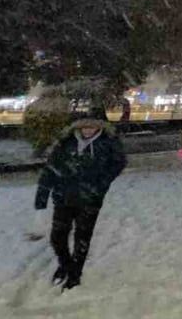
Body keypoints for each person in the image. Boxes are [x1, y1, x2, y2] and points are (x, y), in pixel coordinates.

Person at [34, 114, 127, 290]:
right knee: (58, 237)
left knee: (82, 238)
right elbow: (50, 170)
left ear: (99, 128)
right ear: (77, 128)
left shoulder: (107, 144)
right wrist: (41, 200)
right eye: (84, 127)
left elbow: (119, 163)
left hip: (90, 199)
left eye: (92, 127)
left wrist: (101, 183)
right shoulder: (65, 143)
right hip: (64, 197)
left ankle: (75, 274)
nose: (88, 130)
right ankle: (65, 264)